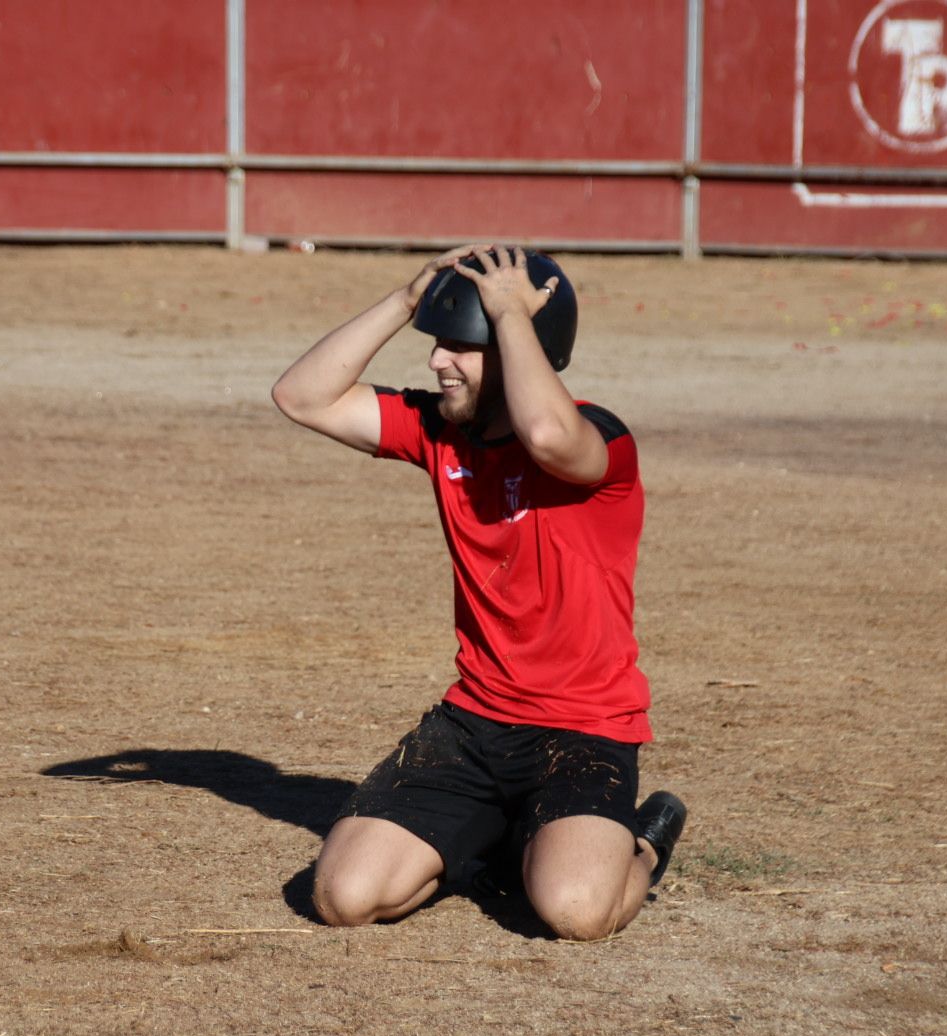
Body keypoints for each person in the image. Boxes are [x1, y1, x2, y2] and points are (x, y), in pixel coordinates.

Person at [271, 245, 686, 940]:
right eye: (437, 343)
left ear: (525, 345)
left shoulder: (601, 440)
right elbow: (302, 396)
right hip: (474, 724)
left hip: (585, 731)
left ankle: (641, 845)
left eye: (462, 347)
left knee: (576, 913)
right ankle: (496, 837)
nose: (437, 361)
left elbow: (549, 436)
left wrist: (511, 314)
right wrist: (406, 301)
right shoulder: (441, 432)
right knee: (344, 899)